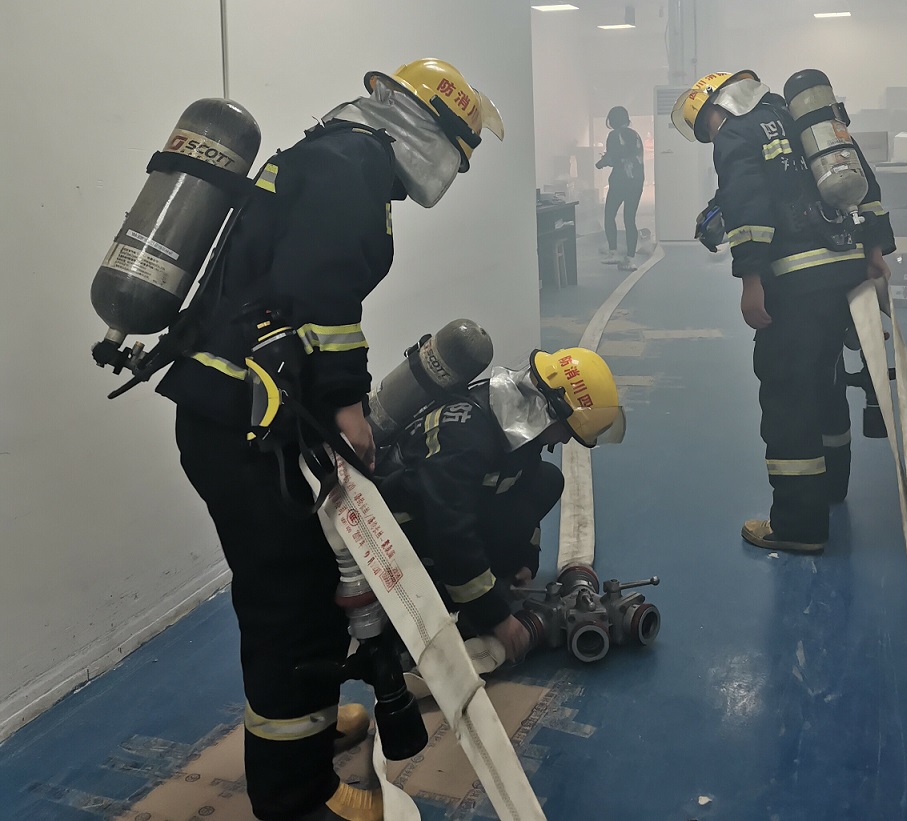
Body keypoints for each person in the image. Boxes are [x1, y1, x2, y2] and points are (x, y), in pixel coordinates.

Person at [155, 59, 504, 821]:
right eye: (458, 150)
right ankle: (295, 794)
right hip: (242, 424)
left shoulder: (336, 154)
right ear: (429, 131)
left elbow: (293, 295)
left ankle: (306, 726)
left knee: (303, 587)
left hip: (241, 410)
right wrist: (347, 402)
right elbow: (321, 294)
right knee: (289, 607)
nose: (454, 168)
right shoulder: (352, 166)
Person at [671, 70, 895, 554]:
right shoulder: (804, 117)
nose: (712, 134)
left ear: (716, 108)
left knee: (788, 399)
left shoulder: (736, 131)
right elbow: (862, 177)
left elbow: (748, 206)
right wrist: (875, 249)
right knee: (827, 379)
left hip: (794, 285)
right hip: (843, 274)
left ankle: (798, 525)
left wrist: (751, 281)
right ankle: (832, 487)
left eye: (706, 126)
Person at [374, 347, 625, 662]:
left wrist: (526, 559)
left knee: (548, 480)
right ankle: (443, 590)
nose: (563, 441)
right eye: (567, 431)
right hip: (401, 524)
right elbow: (451, 530)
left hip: (448, 507)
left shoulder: (518, 419)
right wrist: (496, 618)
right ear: (550, 411)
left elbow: (523, 486)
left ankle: (484, 576)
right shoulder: (464, 438)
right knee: (457, 545)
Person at [596, 105, 645, 272]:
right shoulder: (635, 135)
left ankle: (613, 252)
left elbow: (613, 158)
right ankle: (630, 259)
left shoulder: (614, 135)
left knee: (609, 215)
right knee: (630, 219)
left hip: (620, 181)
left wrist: (601, 163)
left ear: (612, 121)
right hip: (637, 181)